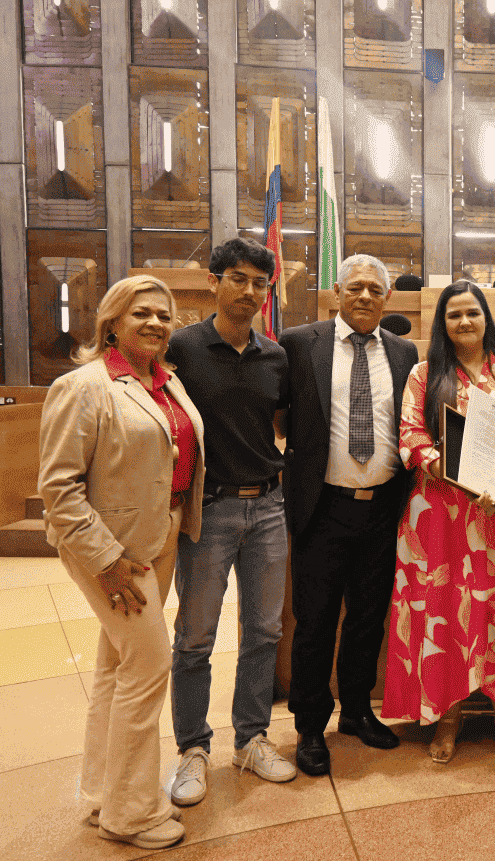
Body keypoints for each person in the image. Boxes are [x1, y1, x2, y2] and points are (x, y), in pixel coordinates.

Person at [38, 275, 204, 850]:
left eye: (164, 315)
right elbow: (59, 489)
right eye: (142, 314)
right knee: (148, 666)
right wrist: (106, 560)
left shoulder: (167, 383)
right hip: (109, 551)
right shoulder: (83, 386)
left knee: (116, 667)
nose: (156, 323)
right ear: (112, 321)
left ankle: (101, 793)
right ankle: (131, 813)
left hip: (158, 540)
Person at [381, 280, 495, 764]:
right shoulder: (424, 373)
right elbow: (409, 434)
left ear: (485, 317)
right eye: (454, 315)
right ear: (444, 323)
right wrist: (447, 468)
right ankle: (445, 715)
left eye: (472, 313)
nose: (465, 322)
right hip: (440, 513)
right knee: (444, 609)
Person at [278, 254, 419, 776]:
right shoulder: (298, 344)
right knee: (314, 622)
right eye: (355, 287)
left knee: (367, 618)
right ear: (336, 291)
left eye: (375, 289)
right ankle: (309, 725)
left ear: (387, 299)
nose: (364, 296)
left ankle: (357, 711)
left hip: (384, 508)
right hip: (322, 508)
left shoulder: (404, 353)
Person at [166, 238, 295, 807]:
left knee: (264, 632)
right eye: (238, 279)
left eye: (259, 283)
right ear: (214, 280)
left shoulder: (275, 356)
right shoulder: (181, 349)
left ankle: (251, 738)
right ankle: (193, 748)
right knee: (195, 636)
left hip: (268, 507)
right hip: (208, 509)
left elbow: (284, 423)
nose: (249, 292)